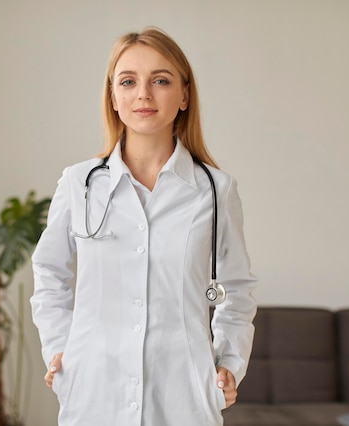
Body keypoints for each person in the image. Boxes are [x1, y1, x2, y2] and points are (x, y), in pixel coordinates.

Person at [30, 27, 257, 426]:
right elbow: (48, 272)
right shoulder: (78, 184)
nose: (143, 94)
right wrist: (60, 347)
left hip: (184, 394)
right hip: (93, 390)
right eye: (128, 81)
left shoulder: (216, 191)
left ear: (184, 96)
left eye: (161, 81)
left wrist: (229, 363)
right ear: (113, 96)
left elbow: (235, 288)